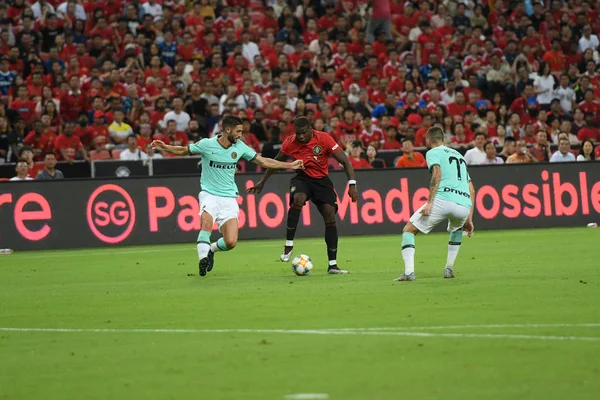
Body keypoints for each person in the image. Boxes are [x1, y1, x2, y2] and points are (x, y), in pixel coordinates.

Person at [151, 115, 304, 276]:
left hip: (229, 198)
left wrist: (290, 164)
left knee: (230, 242)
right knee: (206, 224)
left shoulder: (240, 147)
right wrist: (166, 147)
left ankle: (210, 250)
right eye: (238, 131)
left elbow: (264, 162)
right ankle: (202, 258)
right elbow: (184, 150)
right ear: (227, 130)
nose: (240, 135)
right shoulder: (207, 144)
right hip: (209, 194)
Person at [247, 116, 359, 275]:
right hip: (302, 178)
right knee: (298, 198)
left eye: (303, 133)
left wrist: (352, 185)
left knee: (330, 216)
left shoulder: (324, 138)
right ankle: (289, 244)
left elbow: (346, 162)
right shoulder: (290, 142)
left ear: (311, 130)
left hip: (321, 181)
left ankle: (332, 265)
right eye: (298, 133)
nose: (300, 136)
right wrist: (262, 181)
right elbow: (274, 163)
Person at [395, 126, 475, 281]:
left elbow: (437, 174)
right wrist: (469, 218)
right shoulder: (460, 156)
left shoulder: (432, 152)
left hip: (443, 199)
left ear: (427, 140)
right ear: (443, 139)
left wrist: (429, 203)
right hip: (464, 203)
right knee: (457, 228)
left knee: (408, 230)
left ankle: (409, 272)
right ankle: (449, 268)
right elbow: (472, 189)